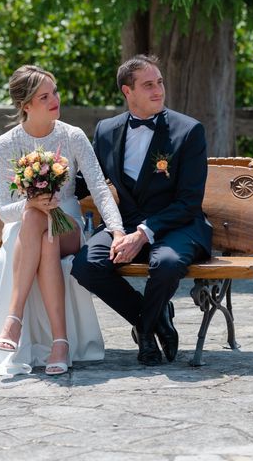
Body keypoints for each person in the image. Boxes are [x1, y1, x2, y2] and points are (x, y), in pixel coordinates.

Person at [0, 65, 124, 376]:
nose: (54, 99)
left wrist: (117, 230)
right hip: (28, 229)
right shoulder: (8, 143)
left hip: (66, 221)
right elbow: (4, 210)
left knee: (41, 225)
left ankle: (12, 319)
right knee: (37, 227)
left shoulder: (72, 136)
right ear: (26, 105)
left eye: (54, 92)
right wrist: (31, 201)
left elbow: (98, 186)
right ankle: (60, 341)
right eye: (45, 96)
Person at [71, 54, 212, 366]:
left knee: (166, 264)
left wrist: (144, 234)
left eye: (159, 82)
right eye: (148, 85)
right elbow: (89, 181)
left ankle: (145, 332)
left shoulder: (188, 131)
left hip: (177, 225)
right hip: (124, 225)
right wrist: (46, 183)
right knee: (87, 264)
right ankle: (156, 317)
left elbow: (189, 202)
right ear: (127, 91)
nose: (158, 90)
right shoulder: (106, 130)